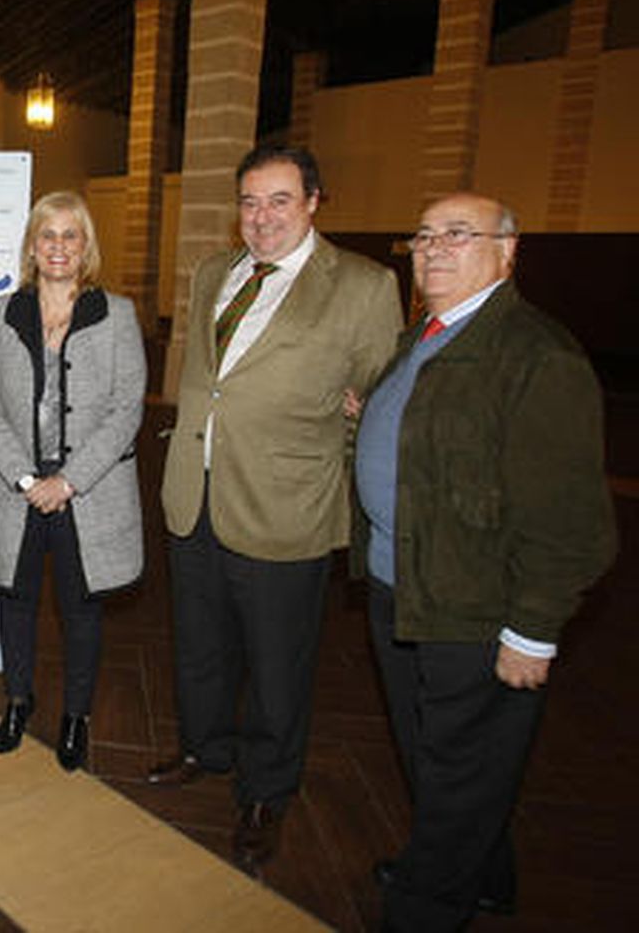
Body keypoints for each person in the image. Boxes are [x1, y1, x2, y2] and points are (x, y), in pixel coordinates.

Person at [353, 194, 616, 931]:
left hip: (474, 604)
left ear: (507, 250)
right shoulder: (429, 334)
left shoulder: (536, 354)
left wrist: (533, 631)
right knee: (433, 753)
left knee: (460, 768)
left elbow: (569, 520)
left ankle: (426, 906)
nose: (434, 248)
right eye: (424, 235)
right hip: (403, 584)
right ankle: (484, 877)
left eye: (458, 234)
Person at [152, 144, 402, 872]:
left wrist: (341, 448)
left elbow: (381, 403)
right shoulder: (214, 272)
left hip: (285, 506)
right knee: (200, 643)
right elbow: (209, 382)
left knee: (277, 665)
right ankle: (205, 747)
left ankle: (265, 791)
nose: (261, 218)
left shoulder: (363, 285)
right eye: (250, 202)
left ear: (314, 202)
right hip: (195, 494)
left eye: (279, 201)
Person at [0, 191, 145, 771]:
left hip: (87, 492)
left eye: (71, 235)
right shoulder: (2, 313)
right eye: (48, 234)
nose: (59, 246)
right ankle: (18, 702)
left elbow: (126, 409)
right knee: (16, 600)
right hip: (15, 490)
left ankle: (76, 716)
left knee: (80, 608)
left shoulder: (116, 314)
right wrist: (28, 480)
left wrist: (67, 481)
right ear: (31, 245)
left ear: (86, 246)